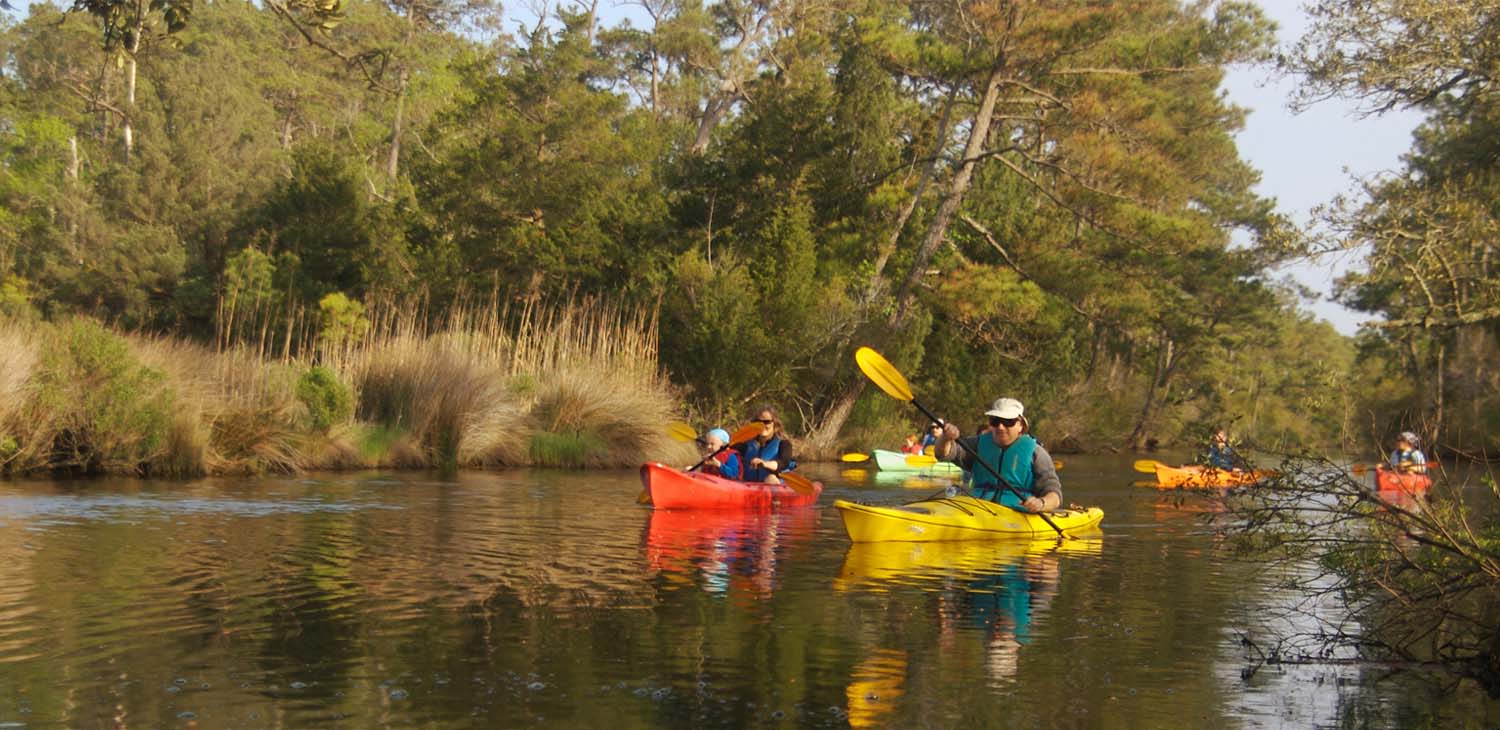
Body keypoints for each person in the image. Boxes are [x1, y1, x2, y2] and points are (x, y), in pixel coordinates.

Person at [933, 397, 1062, 512]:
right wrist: (945, 438)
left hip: (1017, 512)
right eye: (995, 421)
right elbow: (943, 454)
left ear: (1021, 425)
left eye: (1008, 422)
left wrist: (1041, 503)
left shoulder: (1037, 453)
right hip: (978, 508)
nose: (1000, 427)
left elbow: (1054, 494)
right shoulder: (977, 444)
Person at [739, 405, 795, 483]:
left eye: (767, 422)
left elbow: (783, 463)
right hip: (749, 485)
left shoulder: (784, 444)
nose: (762, 425)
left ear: (775, 424)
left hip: (776, 482)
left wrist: (764, 464)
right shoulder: (745, 444)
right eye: (759, 422)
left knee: (770, 478)